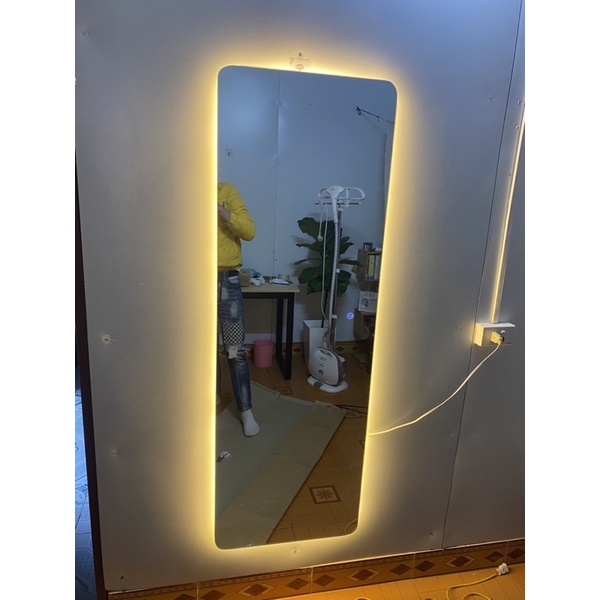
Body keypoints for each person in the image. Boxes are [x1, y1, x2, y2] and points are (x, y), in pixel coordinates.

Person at [217, 181, 260, 437]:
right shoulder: (184, 193)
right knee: (197, 350)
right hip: (194, 279)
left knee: (235, 350)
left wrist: (220, 210)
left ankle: (245, 410)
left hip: (227, 279)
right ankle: (208, 400)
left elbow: (249, 231)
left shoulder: (226, 190)